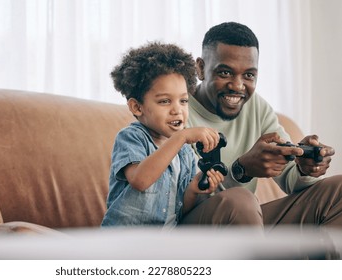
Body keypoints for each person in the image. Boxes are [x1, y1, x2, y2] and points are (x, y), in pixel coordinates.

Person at [182, 21, 342, 228]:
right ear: (201, 68)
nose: (237, 86)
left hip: (246, 222)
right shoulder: (176, 109)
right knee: (241, 200)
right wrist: (242, 170)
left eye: (248, 75)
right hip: (194, 225)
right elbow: (184, 196)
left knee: (339, 190)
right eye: (225, 73)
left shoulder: (256, 106)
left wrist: (304, 168)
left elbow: (291, 180)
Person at [101, 42, 225, 227]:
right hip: (126, 242)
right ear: (137, 107)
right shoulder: (132, 138)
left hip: (164, 242)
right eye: (165, 101)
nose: (177, 110)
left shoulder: (185, 154)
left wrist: (194, 189)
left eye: (183, 100)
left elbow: (180, 208)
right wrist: (180, 137)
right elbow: (140, 180)